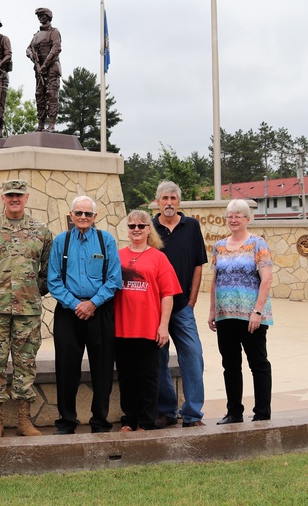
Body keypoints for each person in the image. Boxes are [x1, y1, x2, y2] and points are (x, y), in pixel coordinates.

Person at [0, 179, 53, 437]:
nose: (14, 199)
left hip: (28, 311)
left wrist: (31, 291)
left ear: (27, 198)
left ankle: (23, 420)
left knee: (25, 364)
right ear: (3, 197)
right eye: (10, 195)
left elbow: (47, 270)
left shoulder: (41, 231)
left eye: (19, 195)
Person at [46, 196, 122, 434]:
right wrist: (75, 304)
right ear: (71, 215)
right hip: (69, 313)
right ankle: (67, 421)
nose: (83, 217)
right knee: (66, 369)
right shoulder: (61, 241)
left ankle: (100, 421)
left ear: (95, 217)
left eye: (88, 214)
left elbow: (114, 279)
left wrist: (93, 303)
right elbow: (53, 280)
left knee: (102, 368)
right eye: (78, 213)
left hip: (99, 312)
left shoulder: (105, 240)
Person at [207, 199, 274, 424]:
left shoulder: (258, 243)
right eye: (230, 216)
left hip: (251, 317)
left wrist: (257, 311)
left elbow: (267, 279)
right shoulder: (219, 246)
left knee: (258, 363)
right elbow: (214, 280)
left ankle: (262, 413)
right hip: (225, 316)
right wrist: (212, 311)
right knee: (230, 365)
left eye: (238, 215)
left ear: (247, 219)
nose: (233, 220)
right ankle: (234, 412)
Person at [115, 210, 181, 432]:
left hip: (148, 328)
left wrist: (163, 326)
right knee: (127, 377)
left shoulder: (158, 257)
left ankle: (145, 421)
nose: (136, 230)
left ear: (148, 229)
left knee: (148, 377)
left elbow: (168, 295)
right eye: (132, 226)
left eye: (141, 226)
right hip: (122, 328)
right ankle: (129, 420)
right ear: (127, 229)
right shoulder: (118, 255)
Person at [152, 181, 208, 428]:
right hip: (155, 308)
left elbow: (198, 264)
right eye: (165, 198)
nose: (169, 203)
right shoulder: (149, 227)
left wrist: (192, 299)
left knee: (193, 356)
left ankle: (193, 413)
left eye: (173, 198)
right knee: (159, 359)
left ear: (179, 202)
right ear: (157, 202)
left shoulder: (192, 226)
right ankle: (167, 410)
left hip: (183, 306)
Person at [25, 7, 61, 132]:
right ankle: (41, 124)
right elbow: (28, 49)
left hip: (51, 69)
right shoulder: (36, 35)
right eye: (39, 16)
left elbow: (56, 49)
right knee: (39, 95)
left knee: (51, 95)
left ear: (48, 16)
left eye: (42, 15)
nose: (40, 17)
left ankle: (51, 124)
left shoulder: (54, 32)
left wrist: (44, 65)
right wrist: (33, 57)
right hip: (39, 70)